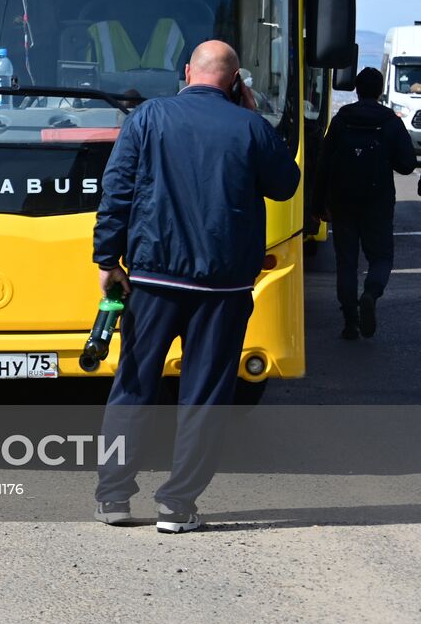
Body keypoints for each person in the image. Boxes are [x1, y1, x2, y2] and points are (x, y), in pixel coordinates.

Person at [91, 41, 298, 534]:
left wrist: (106, 258)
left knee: (134, 387)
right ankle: (177, 505)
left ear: (187, 71)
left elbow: (117, 189)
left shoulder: (147, 117)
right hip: (223, 287)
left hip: (153, 278)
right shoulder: (251, 126)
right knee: (204, 394)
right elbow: (286, 184)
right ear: (234, 81)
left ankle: (114, 497)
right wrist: (251, 115)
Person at [316, 67, 416, 339]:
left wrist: (318, 205)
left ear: (356, 90)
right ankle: (371, 292)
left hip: (342, 201)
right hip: (378, 202)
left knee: (346, 262)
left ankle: (350, 321)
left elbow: (324, 163)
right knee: (381, 257)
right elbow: (407, 164)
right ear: (380, 89)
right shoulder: (390, 122)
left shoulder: (342, 119)